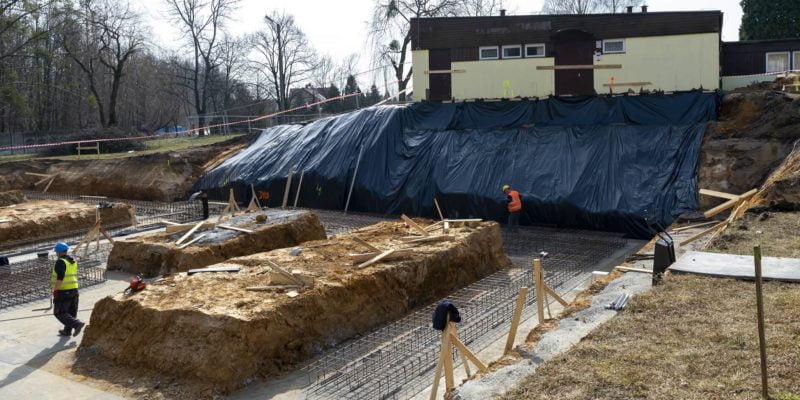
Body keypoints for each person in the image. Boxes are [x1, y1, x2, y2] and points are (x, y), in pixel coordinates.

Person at [51, 242, 85, 337]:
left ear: (59, 252)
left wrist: (55, 290)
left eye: (56, 252)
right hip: (74, 290)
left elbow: (60, 277)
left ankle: (76, 324)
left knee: (59, 312)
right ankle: (67, 331)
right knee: (71, 311)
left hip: (63, 291)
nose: (56, 254)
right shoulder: (72, 261)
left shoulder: (60, 262)